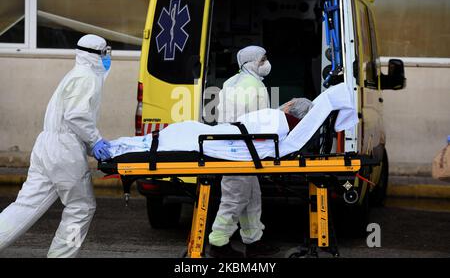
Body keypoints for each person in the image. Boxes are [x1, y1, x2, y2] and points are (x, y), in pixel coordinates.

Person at [0, 34, 112, 258]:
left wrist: (91, 144)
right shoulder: (87, 77)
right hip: (64, 151)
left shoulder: (74, 74)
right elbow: (76, 116)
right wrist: (95, 140)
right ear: (96, 55)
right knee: (82, 207)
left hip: (47, 147)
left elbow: (67, 117)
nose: (108, 58)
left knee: (25, 205)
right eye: (105, 53)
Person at [208, 45, 281, 258]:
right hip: (245, 149)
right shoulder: (255, 85)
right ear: (251, 63)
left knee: (251, 195)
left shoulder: (230, 82)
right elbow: (261, 121)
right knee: (235, 197)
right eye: (262, 60)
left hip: (232, 147)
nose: (265, 64)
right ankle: (218, 243)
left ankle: (253, 239)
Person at [107, 99, 314, 160]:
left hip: (220, 138)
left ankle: (116, 148)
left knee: (177, 136)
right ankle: (117, 147)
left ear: (290, 108)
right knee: (181, 131)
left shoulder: (277, 119)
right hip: (224, 134)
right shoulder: (280, 123)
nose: (286, 102)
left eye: (290, 101)